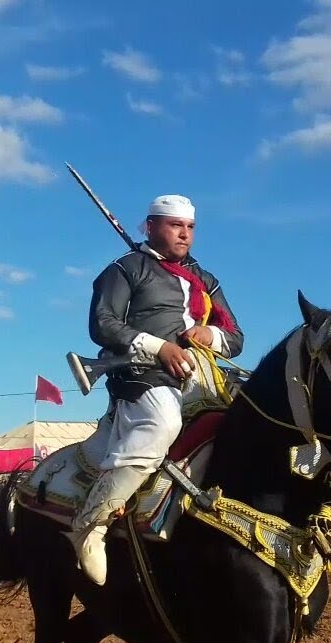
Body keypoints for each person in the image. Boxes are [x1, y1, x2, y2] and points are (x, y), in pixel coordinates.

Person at [66, 194, 244, 585]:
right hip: (141, 374)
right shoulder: (125, 269)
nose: (184, 234)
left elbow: (236, 338)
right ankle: (91, 524)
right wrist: (159, 347)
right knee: (163, 423)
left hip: (202, 377)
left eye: (190, 227)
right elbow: (102, 324)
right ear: (150, 226)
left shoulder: (206, 280)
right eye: (175, 225)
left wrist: (210, 335)